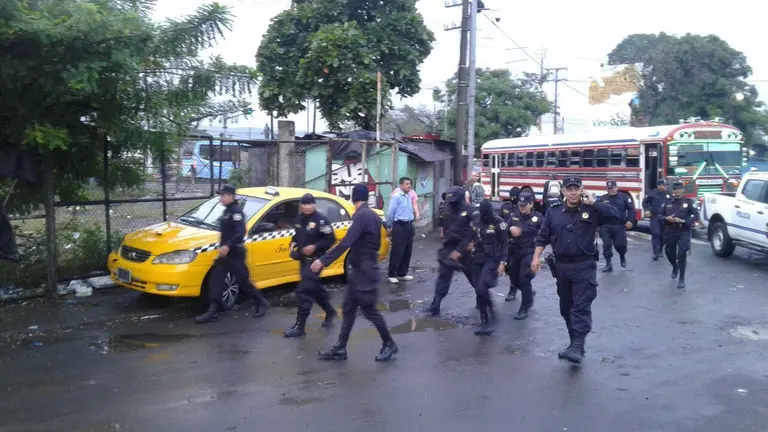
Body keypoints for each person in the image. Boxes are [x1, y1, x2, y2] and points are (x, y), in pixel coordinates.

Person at [530, 176, 619, 364]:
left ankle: (578, 346)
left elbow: (615, 216)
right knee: (566, 308)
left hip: (584, 266)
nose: (572, 193)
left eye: (576, 189)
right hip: (562, 267)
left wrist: (594, 202)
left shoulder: (592, 209)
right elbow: (543, 236)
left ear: (581, 190)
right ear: (562, 191)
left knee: (581, 306)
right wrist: (536, 257)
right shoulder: (554, 212)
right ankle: (574, 343)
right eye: (569, 189)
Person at [311, 184, 398, 362]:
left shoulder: (362, 215)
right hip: (360, 271)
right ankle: (341, 347)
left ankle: (389, 343)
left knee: (369, 310)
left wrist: (322, 261)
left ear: (353, 198)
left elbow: (346, 242)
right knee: (349, 309)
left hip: (365, 272)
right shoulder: (372, 214)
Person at [195, 184, 269, 324]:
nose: (221, 198)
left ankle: (261, 302)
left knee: (243, 281)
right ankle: (213, 311)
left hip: (235, 253)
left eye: (223, 195)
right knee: (216, 280)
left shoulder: (236, 212)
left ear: (231, 195)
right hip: (225, 254)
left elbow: (240, 232)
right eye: (220, 195)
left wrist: (228, 245)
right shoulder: (227, 211)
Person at [282, 193, 338, 338]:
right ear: (301, 205)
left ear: (314, 205)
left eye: (310, 204)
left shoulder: (322, 221)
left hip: (315, 261)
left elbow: (331, 239)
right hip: (302, 259)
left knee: (303, 292)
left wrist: (315, 246)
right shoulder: (299, 219)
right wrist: (293, 243)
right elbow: (297, 235)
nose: (307, 207)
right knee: (312, 289)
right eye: (304, 204)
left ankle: (300, 327)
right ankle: (329, 310)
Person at [424, 186, 475, 316]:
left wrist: (466, 246)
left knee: (474, 276)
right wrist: (444, 235)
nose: (451, 203)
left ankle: (482, 301)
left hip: (464, 249)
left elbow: (473, 230)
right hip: (449, 247)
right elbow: (445, 223)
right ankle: (435, 305)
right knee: (443, 276)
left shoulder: (469, 210)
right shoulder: (447, 207)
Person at [470, 200, 508, 335]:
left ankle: (486, 323)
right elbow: (471, 234)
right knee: (479, 290)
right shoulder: (476, 219)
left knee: (481, 288)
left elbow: (504, 244)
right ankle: (490, 310)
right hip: (477, 259)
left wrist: (503, 262)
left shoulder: (499, 223)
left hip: (492, 259)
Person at [506, 192, 542, 319]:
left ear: (531, 204)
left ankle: (524, 307)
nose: (522, 208)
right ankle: (528, 294)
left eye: (525, 205)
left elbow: (545, 234)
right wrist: (510, 232)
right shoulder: (514, 216)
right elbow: (505, 231)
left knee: (524, 278)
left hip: (529, 251)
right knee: (514, 278)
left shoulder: (537, 217)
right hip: (515, 251)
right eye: (520, 205)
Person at [660, 181, 698, 289]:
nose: (676, 192)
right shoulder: (667, 202)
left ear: (683, 190)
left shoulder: (688, 202)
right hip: (670, 230)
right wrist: (666, 218)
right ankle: (674, 267)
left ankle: (682, 278)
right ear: (673, 191)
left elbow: (696, 215)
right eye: (675, 190)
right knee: (669, 253)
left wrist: (685, 221)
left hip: (683, 231)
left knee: (682, 254)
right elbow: (659, 216)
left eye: (679, 190)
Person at [597, 180, 636, 272]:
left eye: (612, 188)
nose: (611, 190)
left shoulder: (624, 197)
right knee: (607, 245)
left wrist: (630, 221)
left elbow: (631, 210)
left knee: (620, 245)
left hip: (619, 225)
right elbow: (597, 212)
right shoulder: (602, 198)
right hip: (605, 225)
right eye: (609, 188)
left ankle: (622, 255)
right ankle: (608, 264)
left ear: (617, 188)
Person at [386, 177, 416, 283]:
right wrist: (389, 226)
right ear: (401, 185)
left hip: (408, 225)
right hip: (399, 225)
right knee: (397, 250)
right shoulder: (396, 197)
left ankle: (402, 273)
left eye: (410, 184)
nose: (409, 186)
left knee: (407, 250)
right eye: (407, 184)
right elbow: (390, 213)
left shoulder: (408, 196)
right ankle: (392, 274)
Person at [500, 186, 521, 301]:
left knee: (515, 268)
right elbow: (500, 220)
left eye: (515, 197)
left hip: (518, 243)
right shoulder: (505, 206)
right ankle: (522, 287)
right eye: (511, 197)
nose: (513, 199)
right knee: (507, 267)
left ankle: (513, 290)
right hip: (506, 242)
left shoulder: (522, 208)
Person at [642, 179, 670, 260]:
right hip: (655, 216)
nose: (664, 187)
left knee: (663, 235)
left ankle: (660, 250)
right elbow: (645, 202)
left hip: (665, 217)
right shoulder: (652, 193)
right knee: (655, 233)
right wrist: (646, 210)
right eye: (663, 185)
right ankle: (655, 252)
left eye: (665, 185)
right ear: (659, 186)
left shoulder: (668, 194)